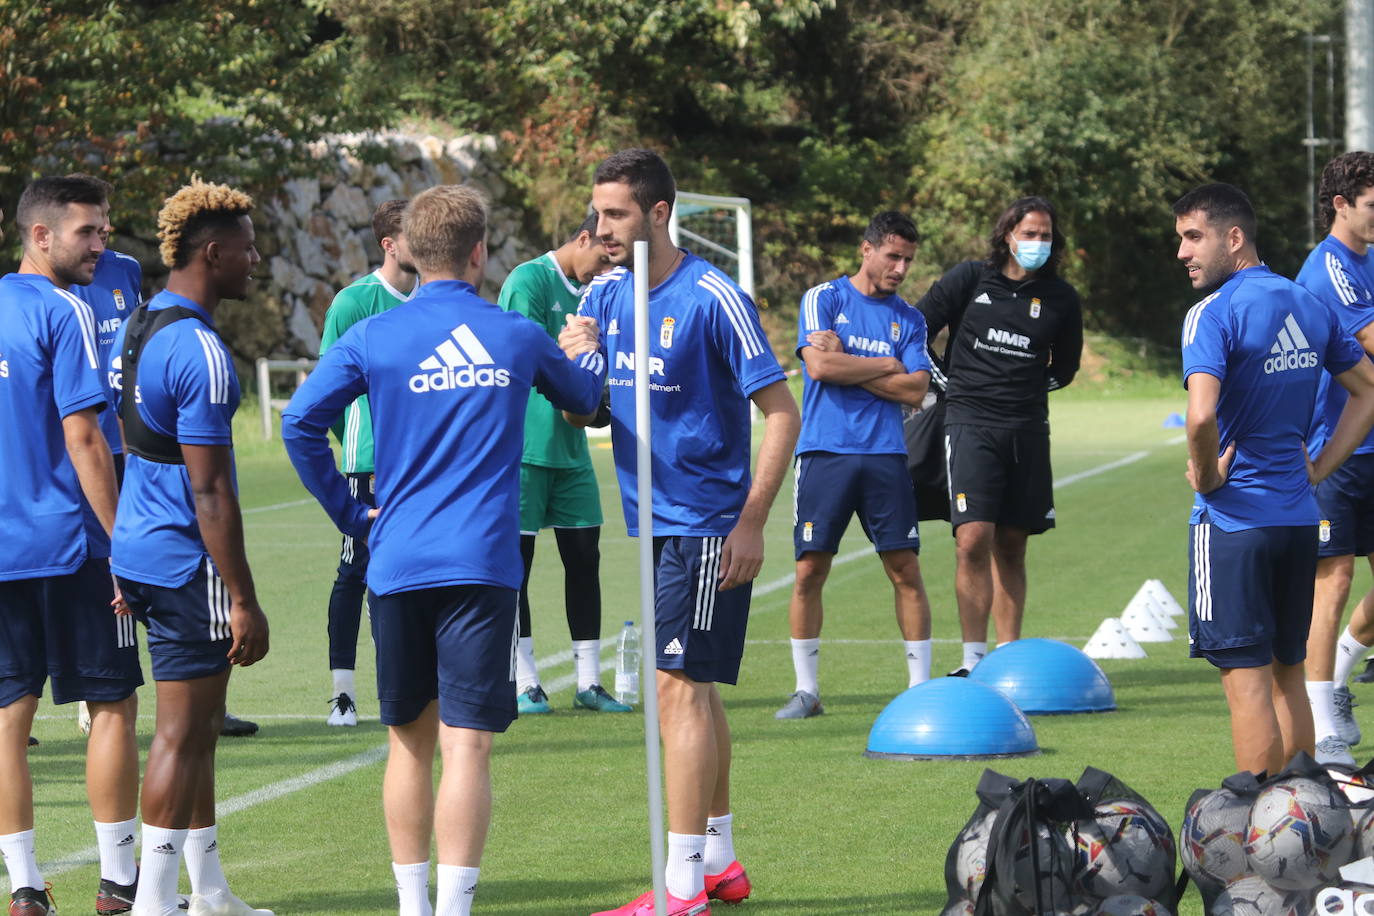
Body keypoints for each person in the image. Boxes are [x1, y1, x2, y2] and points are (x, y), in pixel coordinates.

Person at [281, 184, 605, 916]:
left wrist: (353, 514)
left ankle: (412, 907)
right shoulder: (515, 334)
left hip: (397, 561)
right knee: (468, 748)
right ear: (480, 253)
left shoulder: (374, 335)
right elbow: (584, 403)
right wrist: (590, 350)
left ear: (410, 252)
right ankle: (453, 910)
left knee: (409, 746)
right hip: (482, 565)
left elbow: (300, 424)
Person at [571, 149, 800, 916]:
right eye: (597, 213)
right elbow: (586, 412)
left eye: (616, 215)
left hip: (707, 523)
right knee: (693, 693)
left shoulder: (713, 297)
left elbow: (781, 412)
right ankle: (722, 864)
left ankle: (680, 893)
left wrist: (752, 522)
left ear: (659, 215)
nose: (599, 228)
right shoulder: (603, 295)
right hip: (654, 522)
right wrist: (581, 366)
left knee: (677, 693)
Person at [109, 177, 272, 916]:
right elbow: (210, 493)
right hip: (185, 561)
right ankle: (153, 902)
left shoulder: (139, 323)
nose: (257, 260)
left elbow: (128, 448)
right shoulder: (202, 352)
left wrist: (120, 551)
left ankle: (207, 893)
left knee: (201, 728)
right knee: (179, 734)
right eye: (246, 249)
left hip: (139, 551)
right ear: (213, 253)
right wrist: (243, 597)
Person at [1175, 181, 1374, 776]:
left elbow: (1202, 413)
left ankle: (1259, 832)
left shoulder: (1211, 313)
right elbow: (1367, 392)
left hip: (1232, 524)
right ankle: (1306, 829)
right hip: (1296, 520)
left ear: (1233, 238)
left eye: (1192, 237)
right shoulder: (1306, 304)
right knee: (1289, 673)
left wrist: (1207, 477)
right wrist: (1318, 467)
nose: (1182, 252)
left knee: (1247, 685)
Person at [0, 177, 142, 916]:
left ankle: (24, 887)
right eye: (87, 231)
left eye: (104, 229)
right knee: (111, 702)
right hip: (72, 543)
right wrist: (125, 544)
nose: (101, 245)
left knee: (7, 717)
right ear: (40, 235)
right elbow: (85, 434)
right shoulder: (65, 310)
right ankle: (120, 883)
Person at [914, 196, 1083, 674]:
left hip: (1026, 429)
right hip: (969, 423)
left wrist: (1021, 389)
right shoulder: (969, 279)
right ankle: (973, 660)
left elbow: (1065, 370)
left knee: (1012, 542)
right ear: (1007, 235)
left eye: (1046, 235)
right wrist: (949, 384)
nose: (1037, 243)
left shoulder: (1062, 298)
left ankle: (1008, 659)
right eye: (1029, 233)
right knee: (971, 538)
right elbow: (914, 330)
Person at [777, 211, 934, 720]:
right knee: (809, 570)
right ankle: (807, 691)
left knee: (905, 569)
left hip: (886, 455)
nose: (901, 268)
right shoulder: (825, 299)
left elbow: (916, 389)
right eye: (893, 256)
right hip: (826, 451)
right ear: (866, 250)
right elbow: (819, 365)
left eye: (908, 259)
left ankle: (920, 690)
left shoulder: (909, 319)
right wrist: (886, 364)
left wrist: (857, 368)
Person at [497, 213, 624, 714]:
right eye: (601, 255)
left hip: (572, 453)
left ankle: (588, 682)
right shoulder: (528, 280)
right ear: (583, 237)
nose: (603, 268)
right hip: (522, 451)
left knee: (585, 560)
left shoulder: (599, 293)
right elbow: (515, 356)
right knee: (516, 568)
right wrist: (571, 348)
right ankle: (525, 681)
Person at [317, 198, 416, 727]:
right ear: (389, 243)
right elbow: (325, 393)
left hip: (424, 465)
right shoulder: (354, 302)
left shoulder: (435, 299)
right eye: (413, 233)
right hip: (370, 464)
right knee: (355, 569)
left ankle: (397, 685)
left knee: (408, 571)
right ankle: (343, 695)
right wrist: (359, 444)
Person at [1295, 151, 1374, 766]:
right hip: (1336, 444)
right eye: (1372, 204)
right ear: (1340, 204)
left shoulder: (1369, 260)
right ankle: (1323, 727)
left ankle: (1338, 678)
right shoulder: (1329, 268)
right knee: (1335, 581)